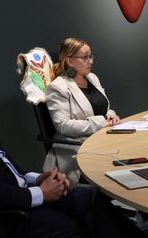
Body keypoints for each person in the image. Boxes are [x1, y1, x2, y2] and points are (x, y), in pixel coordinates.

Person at [0, 53, 144, 238]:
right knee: (69, 226)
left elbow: (3, 165)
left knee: (91, 198)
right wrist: (41, 194)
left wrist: (38, 178)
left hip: (16, 194)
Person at [45, 37, 121, 185]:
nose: (91, 61)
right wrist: (101, 122)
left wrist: (111, 116)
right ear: (70, 61)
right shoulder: (58, 88)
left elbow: (103, 108)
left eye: (91, 56)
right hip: (77, 149)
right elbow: (63, 125)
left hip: (103, 140)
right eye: (85, 57)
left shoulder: (92, 78)